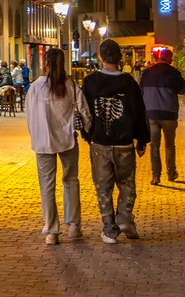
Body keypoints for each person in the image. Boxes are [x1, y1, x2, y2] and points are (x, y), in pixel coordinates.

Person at [80, 38, 150, 244]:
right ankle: (125, 217)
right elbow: (139, 113)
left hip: (100, 142)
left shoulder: (90, 82)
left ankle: (109, 228)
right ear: (120, 58)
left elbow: (85, 112)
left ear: (100, 57)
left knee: (103, 186)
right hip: (124, 142)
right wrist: (142, 140)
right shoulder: (129, 83)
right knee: (126, 182)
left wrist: (87, 134)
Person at [25, 48, 84, 245]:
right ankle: (74, 226)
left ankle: (52, 230)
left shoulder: (35, 87)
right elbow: (84, 112)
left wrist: (35, 136)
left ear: (45, 63)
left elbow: (29, 115)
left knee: (47, 186)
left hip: (43, 142)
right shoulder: (71, 85)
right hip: (67, 140)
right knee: (71, 180)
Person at [140, 48, 185, 184]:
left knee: (154, 146)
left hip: (152, 114)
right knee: (169, 145)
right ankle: (171, 173)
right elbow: (183, 90)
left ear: (158, 57)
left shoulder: (147, 72)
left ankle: (156, 176)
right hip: (169, 114)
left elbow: (141, 91)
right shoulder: (174, 73)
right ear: (171, 60)